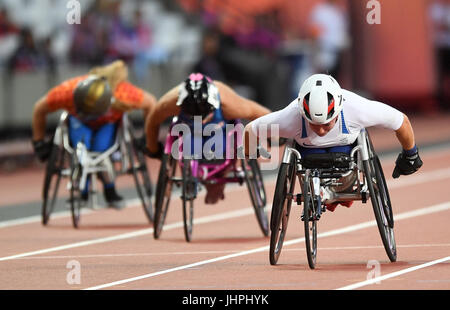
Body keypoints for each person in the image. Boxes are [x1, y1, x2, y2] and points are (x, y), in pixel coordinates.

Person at [244, 73, 423, 211]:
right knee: (311, 159)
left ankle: (336, 191)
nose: (321, 131)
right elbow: (250, 129)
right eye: (314, 124)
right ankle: (323, 191)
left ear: (338, 110)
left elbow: (401, 121)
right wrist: (250, 151)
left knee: (342, 170)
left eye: (326, 124)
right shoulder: (289, 117)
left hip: (346, 153)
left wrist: (411, 154)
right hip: (308, 155)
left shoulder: (357, 108)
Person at [31, 60, 157, 209]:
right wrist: (38, 142)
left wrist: (148, 137)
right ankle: (82, 189)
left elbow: (151, 104)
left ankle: (109, 189)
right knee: (81, 147)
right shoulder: (67, 91)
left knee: (100, 150)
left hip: (107, 124)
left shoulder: (122, 94)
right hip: (78, 121)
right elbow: (39, 109)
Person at [144, 72, 271, 204]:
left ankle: (216, 184)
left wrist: (275, 136)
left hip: (219, 130)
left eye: (203, 116)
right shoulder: (170, 102)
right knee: (191, 151)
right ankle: (198, 176)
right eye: (192, 114)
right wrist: (153, 148)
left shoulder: (228, 103)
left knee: (219, 156)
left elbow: (259, 113)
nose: (201, 120)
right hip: (190, 133)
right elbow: (152, 121)